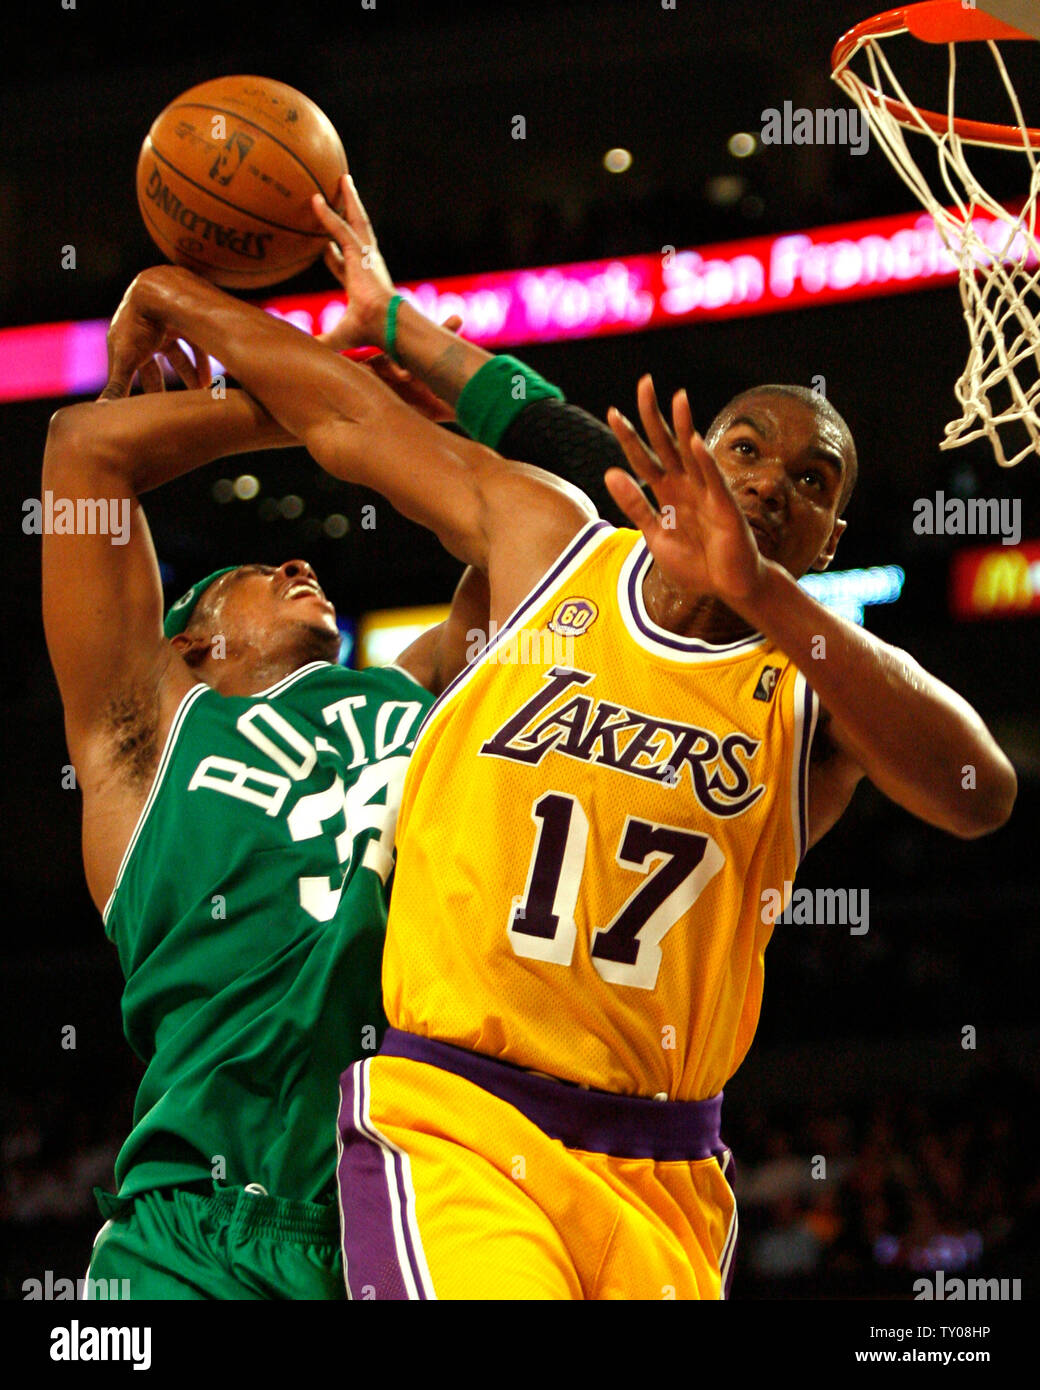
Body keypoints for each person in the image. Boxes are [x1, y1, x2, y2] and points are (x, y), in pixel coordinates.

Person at [98, 212, 1016, 1297]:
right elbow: (347, 415)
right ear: (686, 466)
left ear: (826, 547)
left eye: (813, 484)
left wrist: (764, 594)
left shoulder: (813, 688)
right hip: (459, 1119)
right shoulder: (555, 549)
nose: (772, 483)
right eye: (743, 450)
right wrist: (177, 292)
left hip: (661, 1164)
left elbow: (978, 795)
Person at [40, 373, 489, 1299]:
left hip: (403, 1226)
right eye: (258, 573)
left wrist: (411, 396)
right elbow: (84, 447)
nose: (298, 567)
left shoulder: (416, 692)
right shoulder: (148, 738)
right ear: (187, 645)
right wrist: (324, 409)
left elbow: (516, 534)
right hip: (189, 1232)